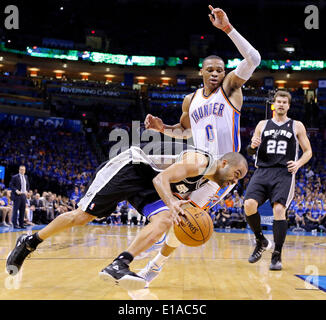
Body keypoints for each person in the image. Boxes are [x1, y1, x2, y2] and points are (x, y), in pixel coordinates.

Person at [6, 146, 248, 292]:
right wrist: (173, 202)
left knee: (166, 219)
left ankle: (119, 264)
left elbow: (183, 214)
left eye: (239, 179)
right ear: (224, 163)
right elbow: (160, 180)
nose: (234, 181)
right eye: (236, 174)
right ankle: (30, 241)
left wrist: (176, 212)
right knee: (81, 217)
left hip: (146, 185)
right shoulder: (201, 162)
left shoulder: (211, 183)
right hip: (131, 169)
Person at [140, 4, 260, 286]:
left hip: (220, 173)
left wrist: (227, 28)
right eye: (211, 69)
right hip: (195, 161)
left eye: (220, 69)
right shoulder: (190, 100)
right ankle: (147, 236)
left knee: (186, 219)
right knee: (146, 172)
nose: (216, 73)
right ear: (202, 72)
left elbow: (253, 58)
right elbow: (184, 131)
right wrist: (163, 128)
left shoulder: (231, 88)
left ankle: (155, 265)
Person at [244, 90, 312, 270]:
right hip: (262, 171)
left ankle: (277, 255)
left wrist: (298, 164)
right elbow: (250, 151)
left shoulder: (296, 125)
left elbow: (308, 151)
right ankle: (260, 240)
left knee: (279, 210)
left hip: (283, 173)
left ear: (288, 106)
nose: (281, 104)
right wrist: (252, 146)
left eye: (284, 102)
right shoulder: (262, 124)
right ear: (274, 104)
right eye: (278, 101)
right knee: (249, 204)